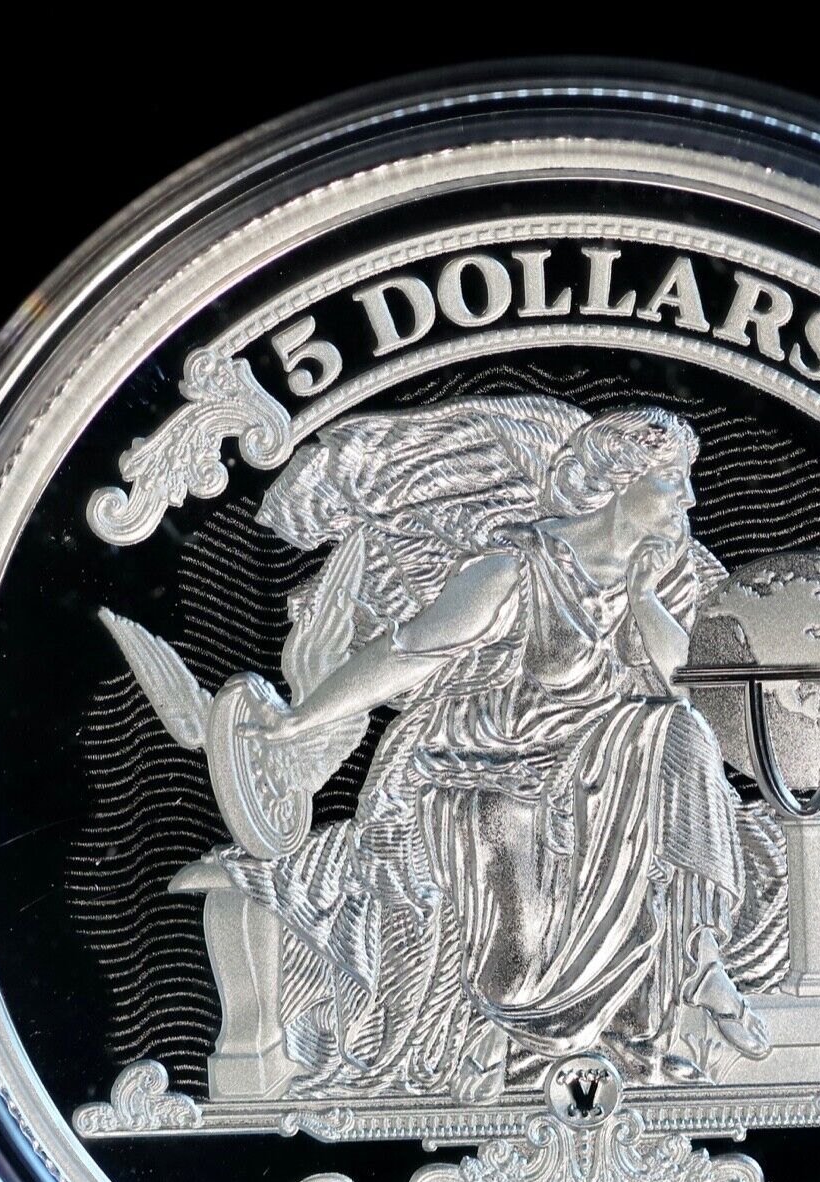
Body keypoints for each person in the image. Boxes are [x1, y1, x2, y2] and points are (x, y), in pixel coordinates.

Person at [223, 398, 768, 1101]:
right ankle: (530, 1038)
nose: (689, 498)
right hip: (497, 767)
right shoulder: (517, 566)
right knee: (512, 976)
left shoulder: (668, 573)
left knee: (678, 729)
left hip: (609, 765)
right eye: (672, 480)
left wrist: (641, 595)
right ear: (621, 481)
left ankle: (698, 957)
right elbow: (409, 652)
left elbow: (681, 684)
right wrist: (302, 720)